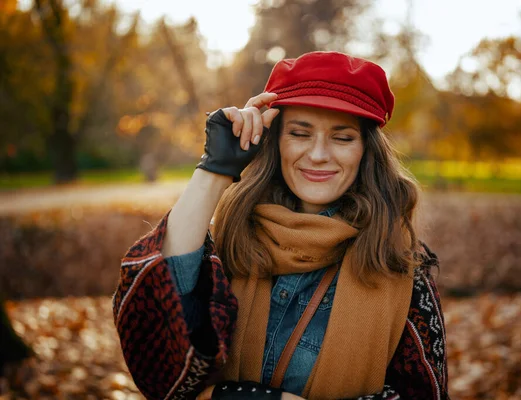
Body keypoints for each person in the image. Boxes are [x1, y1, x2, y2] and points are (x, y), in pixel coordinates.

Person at [113, 51, 449, 400]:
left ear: (365, 150)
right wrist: (215, 168)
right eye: (300, 134)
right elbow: (156, 336)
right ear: (276, 141)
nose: (319, 154)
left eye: (342, 137)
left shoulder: (399, 263)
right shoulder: (231, 240)